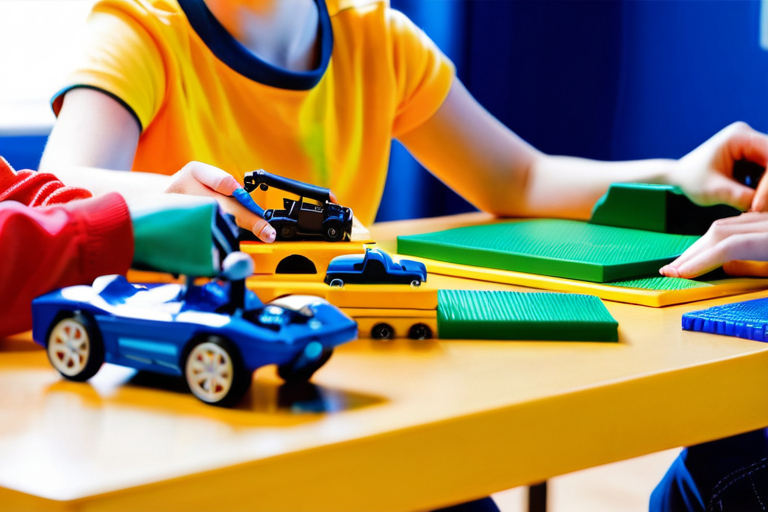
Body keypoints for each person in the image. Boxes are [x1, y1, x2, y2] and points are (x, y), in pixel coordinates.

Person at [37, 1, 768, 511]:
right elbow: (62, 185)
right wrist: (158, 193)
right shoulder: (140, 30)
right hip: (184, 402)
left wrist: (675, 172)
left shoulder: (376, 38)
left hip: (342, 390)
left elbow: (518, 176)